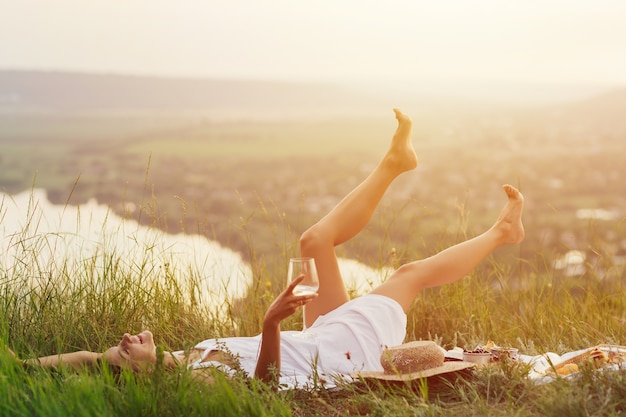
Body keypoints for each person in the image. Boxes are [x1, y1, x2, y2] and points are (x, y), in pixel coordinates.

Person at [10, 109, 525, 387]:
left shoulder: (176, 358)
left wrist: (18, 367)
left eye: (133, 339)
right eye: (135, 344)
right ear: (138, 369)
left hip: (316, 339)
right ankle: (504, 233)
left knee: (313, 240)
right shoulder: (197, 381)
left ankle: (395, 163)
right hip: (339, 354)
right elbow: (264, 385)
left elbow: (83, 358)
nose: (133, 335)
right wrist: (270, 323)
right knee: (411, 272)